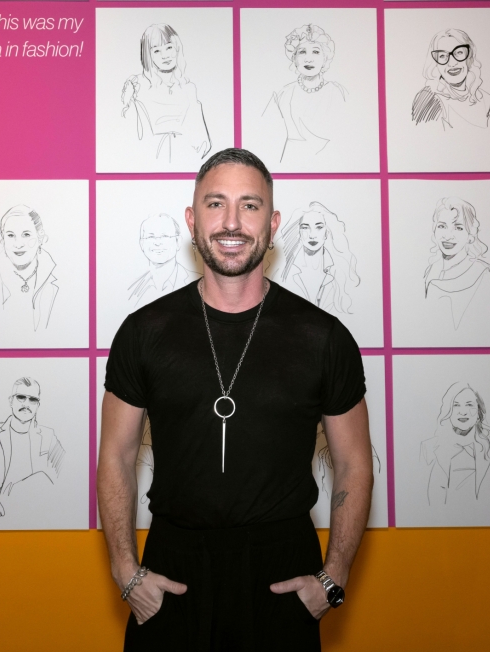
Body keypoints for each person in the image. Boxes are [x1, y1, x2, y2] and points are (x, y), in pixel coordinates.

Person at [98, 148, 374, 651]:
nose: (231, 222)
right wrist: (125, 570)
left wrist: (332, 578)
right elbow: (115, 455)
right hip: (171, 571)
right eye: (215, 203)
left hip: (283, 574)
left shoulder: (323, 337)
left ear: (272, 223)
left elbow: (355, 462)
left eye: (249, 206)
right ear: (191, 218)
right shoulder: (143, 333)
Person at [0, 377, 66, 519]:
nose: (26, 404)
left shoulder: (48, 436)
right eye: (21, 397)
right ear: (11, 401)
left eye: (33, 400)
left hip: (36, 513)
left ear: (38, 405)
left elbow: (64, 478)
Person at [121, 24, 212, 162]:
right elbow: (126, 135)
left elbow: (202, 140)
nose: (165, 55)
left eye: (169, 47)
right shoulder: (137, 85)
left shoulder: (188, 89)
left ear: (177, 48)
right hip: (148, 161)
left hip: (185, 161)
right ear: (148, 55)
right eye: (156, 51)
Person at [261, 25, 349, 164]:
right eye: (302, 52)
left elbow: (347, 136)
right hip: (290, 164)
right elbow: (266, 136)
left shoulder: (337, 92)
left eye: (315, 51)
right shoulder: (283, 94)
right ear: (294, 58)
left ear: (325, 58)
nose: (309, 59)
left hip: (331, 164)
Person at [411, 29, 490, 159]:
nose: (452, 63)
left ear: (469, 56)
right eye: (442, 56)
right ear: (435, 63)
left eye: (458, 52)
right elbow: (423, 154)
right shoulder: (429, 97)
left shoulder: (486, 99)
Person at [419, 382, 490, 514]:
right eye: (456, 405)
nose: (463, 411)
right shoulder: (428, 448)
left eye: (469, 405)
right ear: (448, 411)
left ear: (479, 412)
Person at [0, 204, 59, 330]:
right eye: (11, 235)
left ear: (40, 238)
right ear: (3, 241)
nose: (18, 244)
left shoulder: (59, 284)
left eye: (26, 234)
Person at [422, 197, 490, 330]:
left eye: (458, 228)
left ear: (470, 235)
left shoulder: (483, 274)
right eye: (442, 226)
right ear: (434, 230)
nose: (448, 236)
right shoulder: (431, 270)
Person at [274, 201, 360, 315]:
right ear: (298, 232)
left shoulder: (340, 271)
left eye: (319, 227)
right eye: (305, 227)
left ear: (327, 232)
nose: (312, 234)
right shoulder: (284, 272)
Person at [127, 213, 196, 308]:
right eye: (151, 237)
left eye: (165, 236)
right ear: (142, 244)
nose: (158, 243)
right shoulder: (133, 290)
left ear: (178, 241)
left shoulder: (197, 284)